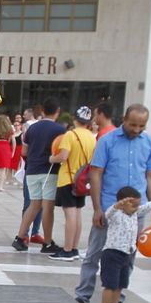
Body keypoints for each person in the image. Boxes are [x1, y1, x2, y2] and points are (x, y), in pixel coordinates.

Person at [74, 105, 151, 303]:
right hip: (109, 208)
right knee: (94, 253)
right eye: (133, 125)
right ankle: (83, 294)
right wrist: (97, 208)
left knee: (127, 256)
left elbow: (150, 177)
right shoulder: (107, 141)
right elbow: (96, 174)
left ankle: (117, 299)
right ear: (124, 119)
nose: (137, 129)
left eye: (141, 125)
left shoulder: (148, 142)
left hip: (135, 211)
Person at [13, 100, 63, 253]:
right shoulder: (59, 129)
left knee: (33, 204)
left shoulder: (32, 128)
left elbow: (24, 152)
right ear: (57, 112)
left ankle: (20, 237)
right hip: (49, 170)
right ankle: (47, 242)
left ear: (42, 110)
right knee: (47, 207)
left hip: (32, 170)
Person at [47, 105, 94, 260]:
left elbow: (63, 156)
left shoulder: (70, 135)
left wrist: (51, 158)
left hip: (68, 178)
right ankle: (74, 247)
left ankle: (67, 249)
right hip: (82, 180)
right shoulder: (91, 137)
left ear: (75, 119)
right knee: (78, 213)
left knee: (70, 215)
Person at [0, 115, 15, 192]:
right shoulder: (10, 129)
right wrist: (13, 151)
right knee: (3, 169)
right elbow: (12, 140)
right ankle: (0, 186)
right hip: (5, 146)